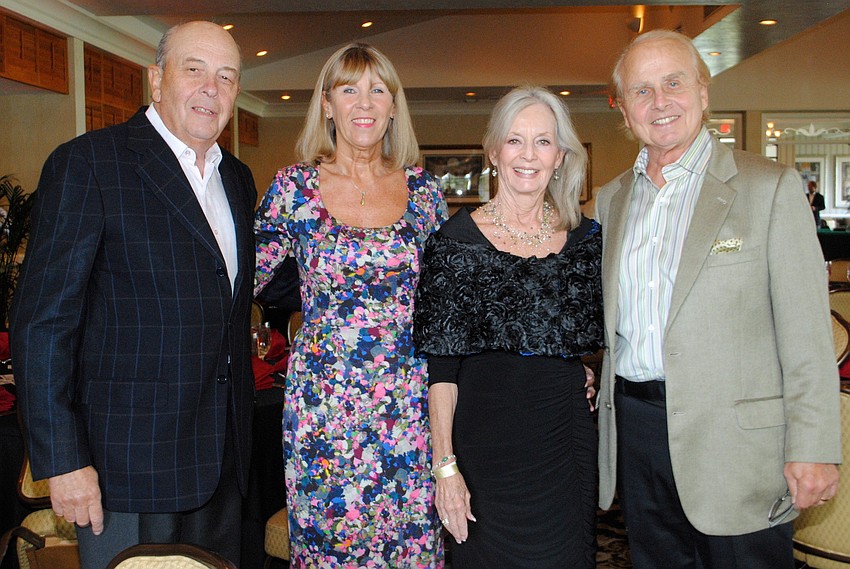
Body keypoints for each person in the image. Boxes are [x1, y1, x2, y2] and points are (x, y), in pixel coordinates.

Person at [10, 21, 257, 568]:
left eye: (226, 76)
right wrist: (64, 462)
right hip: (124, 472)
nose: (210, 88)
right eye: (194, 70)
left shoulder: (236, 178)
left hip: (221, 467)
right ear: (156, 80)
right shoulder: (90, 164)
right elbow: (42, 325)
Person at [595, 29, 841, 569]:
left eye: (674, 83)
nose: (660, 102)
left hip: (738, 452)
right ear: (624, 108)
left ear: (703, 92)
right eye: (641, 90)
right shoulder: (609, 202)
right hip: (637, 438)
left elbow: (806, 336)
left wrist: (815, 447)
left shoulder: (769, 188)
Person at [253, 42, 447, 567]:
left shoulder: (426, 194)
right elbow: (233, 279)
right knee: (328, 546)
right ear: (326, 103)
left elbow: (452, 303)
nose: (364, 103)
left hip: (408, 405)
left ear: (393, 106)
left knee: (410, 544)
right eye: (349, 89)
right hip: (323, 407)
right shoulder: (294, 188)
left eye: (377, 90)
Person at [414, 86, 603, 568]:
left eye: (543, 142)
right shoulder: (454, 243)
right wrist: (445, 467)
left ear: (560, 157)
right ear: (494, 152)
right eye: (515, 141)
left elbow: (600, 335)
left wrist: (587, 369)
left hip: (564, 443)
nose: (529, 155)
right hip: (484, 452)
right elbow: (441, 373)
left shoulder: (587, 240)